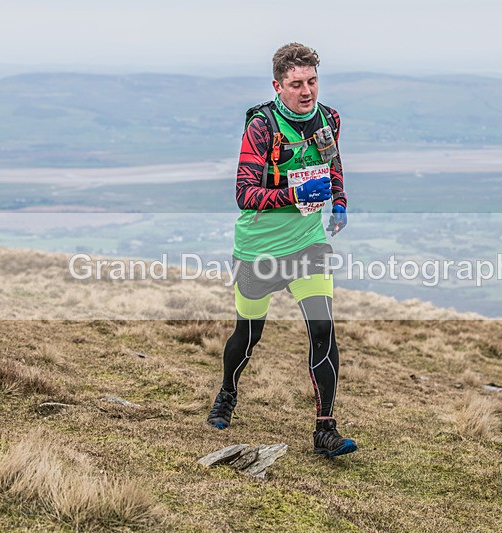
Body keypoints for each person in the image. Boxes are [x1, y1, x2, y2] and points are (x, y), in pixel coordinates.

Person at [206, 43, 357, 458]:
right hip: (258, 248)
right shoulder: (262, 126)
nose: (306, 91)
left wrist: (339, 200)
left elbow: (332, 162)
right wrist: (294, 194)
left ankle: (325, 428)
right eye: (296, 84)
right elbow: (244, 193)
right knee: (248, 334)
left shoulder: (329, 119)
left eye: (312, 81)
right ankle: (227, 393)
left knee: (323, 328)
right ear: (278, 85)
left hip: (308, 243)